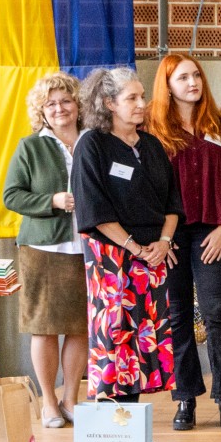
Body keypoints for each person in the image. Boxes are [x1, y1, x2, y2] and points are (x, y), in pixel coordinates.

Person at [147, 54, 221, 433]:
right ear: (167, 86)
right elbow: (146, 187)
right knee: (176, 315)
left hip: (213, 228)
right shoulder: (153, 127)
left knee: (219, 311)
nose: (193, 83)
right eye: (183, 78)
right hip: (170, 233)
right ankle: (185, 397)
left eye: (197, 76)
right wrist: (161, 237)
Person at [71, 68, 182, 410]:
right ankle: (114, 423)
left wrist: (164, 242)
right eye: (131, 98)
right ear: (109, 103)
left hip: (153, 256)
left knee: (144, 341)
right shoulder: (92, 144)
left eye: (142, 96)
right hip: (112, 256)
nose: (141, 104)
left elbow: (172, 202)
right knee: (114, 337)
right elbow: (94, 209)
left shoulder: (152, 145)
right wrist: (134, 247)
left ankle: (130, 422)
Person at [1, 73, 88, 429]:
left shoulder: (93, 142)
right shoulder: (30, 147)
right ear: (41, 110)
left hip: (88, 247)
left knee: (81, 327)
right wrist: (51, 200)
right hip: (43, 248)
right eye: (50, 104)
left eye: (65, 100)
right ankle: (48, 401)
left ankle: (71, 398)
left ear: (78, 104)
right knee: (45, 327)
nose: (59, 108)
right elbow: (12, 195)